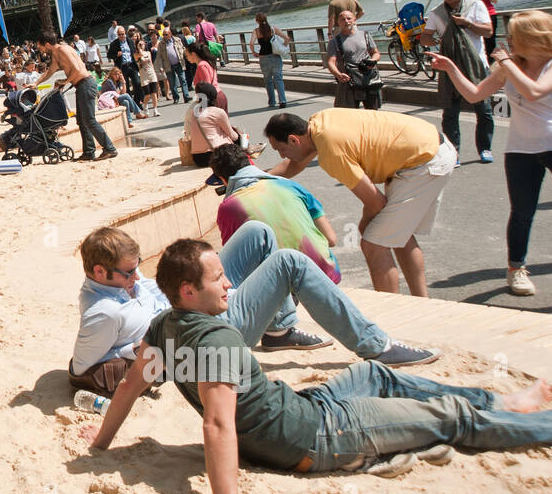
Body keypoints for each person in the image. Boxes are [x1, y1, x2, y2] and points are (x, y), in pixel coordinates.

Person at [88, 237, 552, 494]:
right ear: (188, 290)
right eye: (218, 279)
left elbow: (130, 385)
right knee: (449, 416)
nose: (230, 284)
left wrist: (101, 443)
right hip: (317, 438)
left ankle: (502, 401)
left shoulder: (165, 324)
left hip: (303, 408)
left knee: (378, 375)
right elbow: (216, 423)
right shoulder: (217, 339)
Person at [68, 221, 433, 399]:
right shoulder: (103, 312)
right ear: (100, 272)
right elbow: (81, 369)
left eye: (135, 269)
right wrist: (136, 356)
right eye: (129, 272)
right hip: (203, 328)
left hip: (187, 297)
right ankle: (375, 345)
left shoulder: (122, 282)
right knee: (290, 262)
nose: (136, 275)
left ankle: (278, 330)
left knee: (256, 232)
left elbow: (144, 285)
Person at [265, 110, 455, 297]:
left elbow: (375, 202)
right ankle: (421, 301)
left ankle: (391, 309)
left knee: (374, 243)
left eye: (281, 149)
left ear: (293, 140)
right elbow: (295, 164)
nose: (282, 156)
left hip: (424, 161)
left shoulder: (332, 152)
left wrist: (364, 226)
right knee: (397, 235)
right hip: (427, 147)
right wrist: (261, 176)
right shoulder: (318, 123)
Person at [429, 10, 552, 296]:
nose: (507, 40)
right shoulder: (509, 67)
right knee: (522, 212)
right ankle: (516, 269)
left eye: (513, 36)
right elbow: (474, 94)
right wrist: (450, 69)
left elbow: (534, 92)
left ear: (531, 38)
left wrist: (506, 62)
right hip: (521, 150)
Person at [209, 143, 340, 284]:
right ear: (249, 163)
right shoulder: (291, 186)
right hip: (324, 270)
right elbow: (331, 239)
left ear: (222, 179)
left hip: (280, 284)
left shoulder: (228, 208)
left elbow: (236, 258)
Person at [421, 0, 494, 164]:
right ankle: (454, 153)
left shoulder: (476, 6)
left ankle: (485, 148)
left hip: (476, 65)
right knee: (450, 113)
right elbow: (425, 38)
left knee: (484, 110)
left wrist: (467, 24)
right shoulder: (437, 13)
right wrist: (437, 40)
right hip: (450, 69)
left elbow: (488, 31)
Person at [36, 33, 118, 162]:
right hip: (81, 86)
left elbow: (77, 69)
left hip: (85, 84)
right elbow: (50, 71)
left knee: (89, 120)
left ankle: (109, 148)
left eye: (40, 47)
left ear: (47, 44)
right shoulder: (56, 54)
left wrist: (65, 81)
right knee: (82, 121)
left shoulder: (63, 49)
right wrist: (35, 83)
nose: (40, 50)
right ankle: (89, 152)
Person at [326, 9, 381, 110]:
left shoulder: (365, 35)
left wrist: (373, 61)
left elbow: (376, 53)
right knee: (349, 114)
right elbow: (330, 62)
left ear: (354, 20)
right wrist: (338, 74)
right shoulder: (334, 42)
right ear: (338, 23)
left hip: (368, 78)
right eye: (343, 19)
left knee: (373, 112)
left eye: (349, 18)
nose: (346, 21)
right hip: (348, 82)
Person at [183, 84, 240, 167]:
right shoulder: (218, 112)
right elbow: (233, 136)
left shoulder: (194, 113)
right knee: (238, 137)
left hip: (198, 158)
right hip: (216, 156)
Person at [251, 12, 290, 109]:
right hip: (275, 56)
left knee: (268, 81)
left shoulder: (256, 31)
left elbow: (251, 43)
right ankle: (283, 101)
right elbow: (287, 38)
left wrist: (254, 53)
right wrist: (283, 46)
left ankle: (272, 102)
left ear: (257, 21)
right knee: (278, 79)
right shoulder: (273, 29)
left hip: (263, 58)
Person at [184, 42, 227, 112]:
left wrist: (202, 106)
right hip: (218, 96)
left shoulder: (202, 65)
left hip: (213, 99)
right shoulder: (207, 62)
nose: (186, 58)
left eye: (187, 55)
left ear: (193, 54)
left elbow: (206, 87)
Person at [157, 27, 189, 103]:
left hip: (179, 63)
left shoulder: (177, 40)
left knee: (183, 80)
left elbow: (182, 48)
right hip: (168, 65)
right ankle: (176, 98)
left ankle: (186, 96)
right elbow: (159, 56)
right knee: (172, 83)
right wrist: (161, 67)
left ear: (170, 34)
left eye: (166, 34)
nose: (164, 36)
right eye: (163, 35)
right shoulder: (161, 44)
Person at [134, 37, 160, 117]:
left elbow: (151, 62)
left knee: (154, 93)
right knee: (147, 94)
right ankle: (145, 105)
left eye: (143, 44)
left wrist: (154, 73)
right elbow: (139, 57)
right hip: (143, 75)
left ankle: (155, 110)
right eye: (140, 44)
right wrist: (139, 48)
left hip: (151, 72)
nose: (142, 45)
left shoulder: (148, 53)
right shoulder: (136, 54)